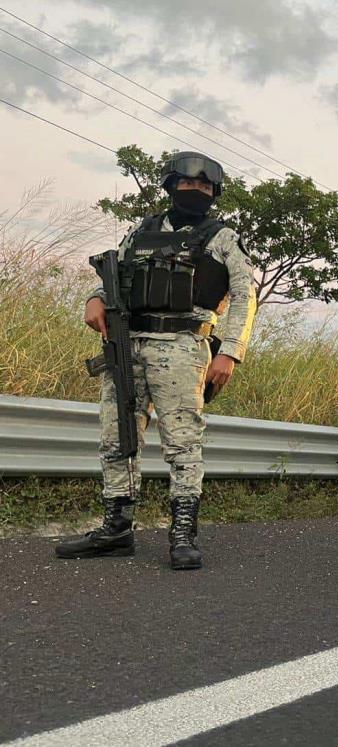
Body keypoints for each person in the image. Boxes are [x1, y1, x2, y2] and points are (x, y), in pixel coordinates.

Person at [56, 151, 257, 570]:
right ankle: (117, 528)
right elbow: (111, 279)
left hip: (183, 346)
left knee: (182, 442)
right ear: (170, 185)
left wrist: (230, 352)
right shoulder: (141, 231)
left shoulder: (223, 237)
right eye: (188, 184)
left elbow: (244, 296)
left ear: (214, 193)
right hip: (128, 343)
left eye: (204, 186)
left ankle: (183, 533)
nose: (195, 191)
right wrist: (93, 299)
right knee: (117, 437)